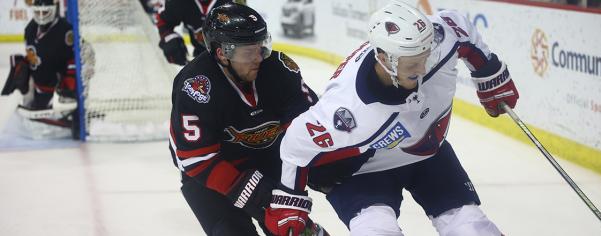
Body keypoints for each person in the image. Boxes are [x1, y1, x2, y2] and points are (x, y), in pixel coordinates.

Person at [264, 1, 519, 235]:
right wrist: (289, 199)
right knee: (377, 229)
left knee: (471, 227)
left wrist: (490, 75)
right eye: (412, 65)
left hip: (426, 153)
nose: (422, 70)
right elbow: (295, 143)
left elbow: (459, 26)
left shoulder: (436, 42)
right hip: (364, 169)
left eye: (425, 58)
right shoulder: (347, 110)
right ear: (385, 59)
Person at [168, 3, 325, 235]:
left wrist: (292, 196)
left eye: (261, 46)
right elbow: (197, 160)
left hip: (268, 161)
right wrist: (261, 197)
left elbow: (305, 131)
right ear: (222, 53)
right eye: (248, 51)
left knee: (296, 230)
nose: (259, 57)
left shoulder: (280, 70)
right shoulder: (197, 87)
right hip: (213, 175)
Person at [1, 0, 80, 139]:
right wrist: (23, 66)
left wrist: (70, 86)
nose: (41, 16)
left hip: (59, 90)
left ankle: (74, 114)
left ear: (53, 10)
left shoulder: (66, 31)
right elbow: (36, 56)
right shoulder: (30, 29)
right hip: (40, 88)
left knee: (72, 120)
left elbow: (79, 56)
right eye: (38, 12)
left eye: (45, 12)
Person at [156, 0, 235, 65]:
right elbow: (163, 21)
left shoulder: (233, 4)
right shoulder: (179, 3)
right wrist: (170, 39)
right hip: (202, 56)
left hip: (234, 58)